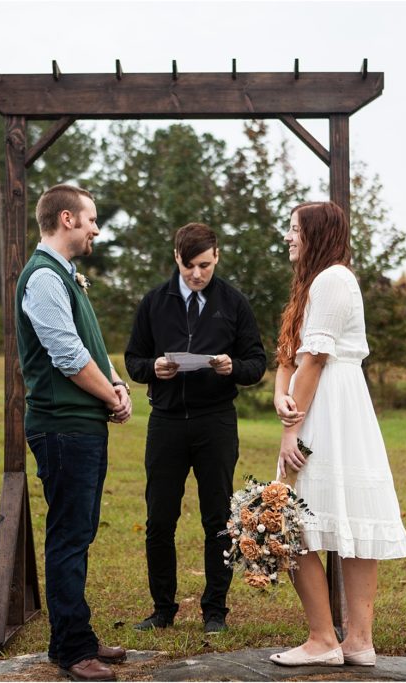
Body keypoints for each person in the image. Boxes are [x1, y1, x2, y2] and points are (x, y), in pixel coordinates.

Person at [269, 201, 406, 667]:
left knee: (292, 520)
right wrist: (279, 397)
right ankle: (349, 641)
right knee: (308, 518)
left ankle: (331, 640)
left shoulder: (333, 279)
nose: (288, 237)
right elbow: (289, 356)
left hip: (331, 408)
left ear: (316, 234)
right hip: (315, 403)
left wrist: (293, 429)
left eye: (294, 230)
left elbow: (314, 360)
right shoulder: (310, 285)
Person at [124, 222, 267, 635]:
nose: (197, 274)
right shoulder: (154, 303)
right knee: (159, 520)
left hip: (215, 423)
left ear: (217, 256)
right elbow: (134, 359)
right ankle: (162, 609)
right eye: (189, 267)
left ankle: (215, 612)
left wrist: (232, 367)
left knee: (218, 520)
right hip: (166, 423)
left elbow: (256, 362)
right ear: (176, 259)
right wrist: (153, 367)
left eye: (204, 265)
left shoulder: (235, 303)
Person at [16, 184, 132, 682]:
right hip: (62, 430)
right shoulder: (43, 278)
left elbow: (90, 344)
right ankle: (72, 652)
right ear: (66, 219)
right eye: (91, 220)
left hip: (80, 428)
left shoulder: (65, 276)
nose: (96, 229)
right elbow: (65, 355)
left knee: (78, 534)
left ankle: (71, 636)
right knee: (68, 537)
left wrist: (117, 384)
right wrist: (109, 397)